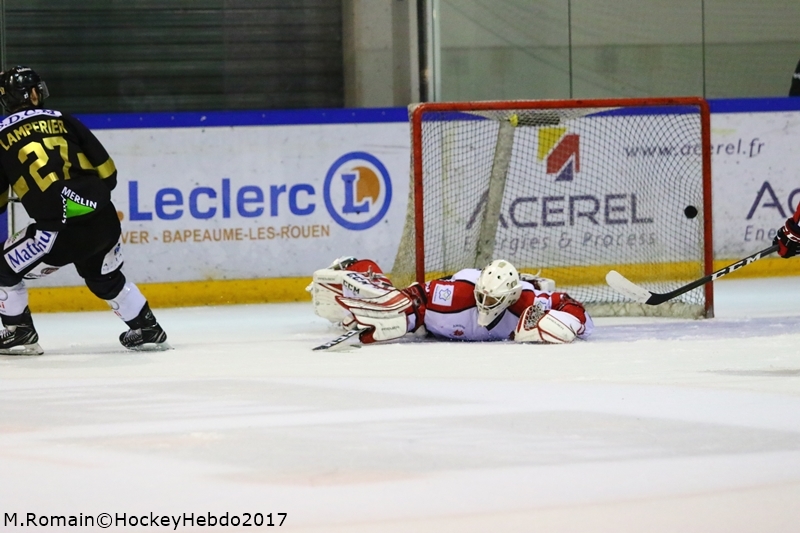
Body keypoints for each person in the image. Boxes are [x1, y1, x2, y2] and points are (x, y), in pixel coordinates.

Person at [0, 65, 168, 355]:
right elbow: (109, 174)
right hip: (105, 221)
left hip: (57, 232)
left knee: (3, 268)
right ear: (32, 95)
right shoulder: (64, 119)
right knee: (104, 276)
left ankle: (19, 332)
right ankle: (146, 328)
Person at [307, 256, 593, 345]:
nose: (485, 304)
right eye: (483, 296)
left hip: (519, 285)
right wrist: (404, 315)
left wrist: (566, 322)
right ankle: (357, 267)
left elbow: (575, 309)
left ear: (510, 297)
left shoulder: (527, 301)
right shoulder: (455, 296)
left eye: (493, 299)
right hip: (456, 282)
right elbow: (416, 297)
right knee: (389, 296)